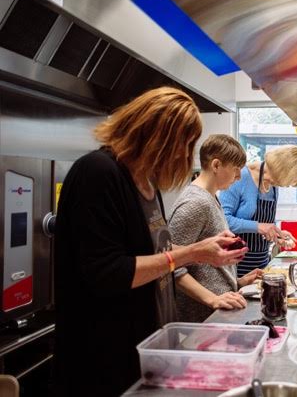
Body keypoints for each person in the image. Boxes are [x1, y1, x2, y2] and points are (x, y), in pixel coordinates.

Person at [53, 87, 248, 396]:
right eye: (182, 143)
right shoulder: (99, 173)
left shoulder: (146, 183)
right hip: (105, 358)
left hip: (150, 345)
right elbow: (109, 272)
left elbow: (160, 254)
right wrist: (191, 253)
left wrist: (203, 253)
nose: (185, 155)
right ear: (156, 135)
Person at [169, 134, 264, 323]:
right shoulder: (196, 203)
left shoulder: (211, 198)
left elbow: (205, 265)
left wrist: (238, 282)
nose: (238, 177)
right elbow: (171, 267)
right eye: (236, 170)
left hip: (218, 309)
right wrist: (212, 298)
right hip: (201, 315)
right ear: (216, 165)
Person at [220, 145, 297, 276]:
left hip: (262, 262)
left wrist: (276, 235)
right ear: (282, 170)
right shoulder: (241, 177)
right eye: (288, 181)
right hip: (236, 264)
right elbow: (223, 220)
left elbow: (266, 225)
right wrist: (259, 227)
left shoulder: (273, 186)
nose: (285, 185)